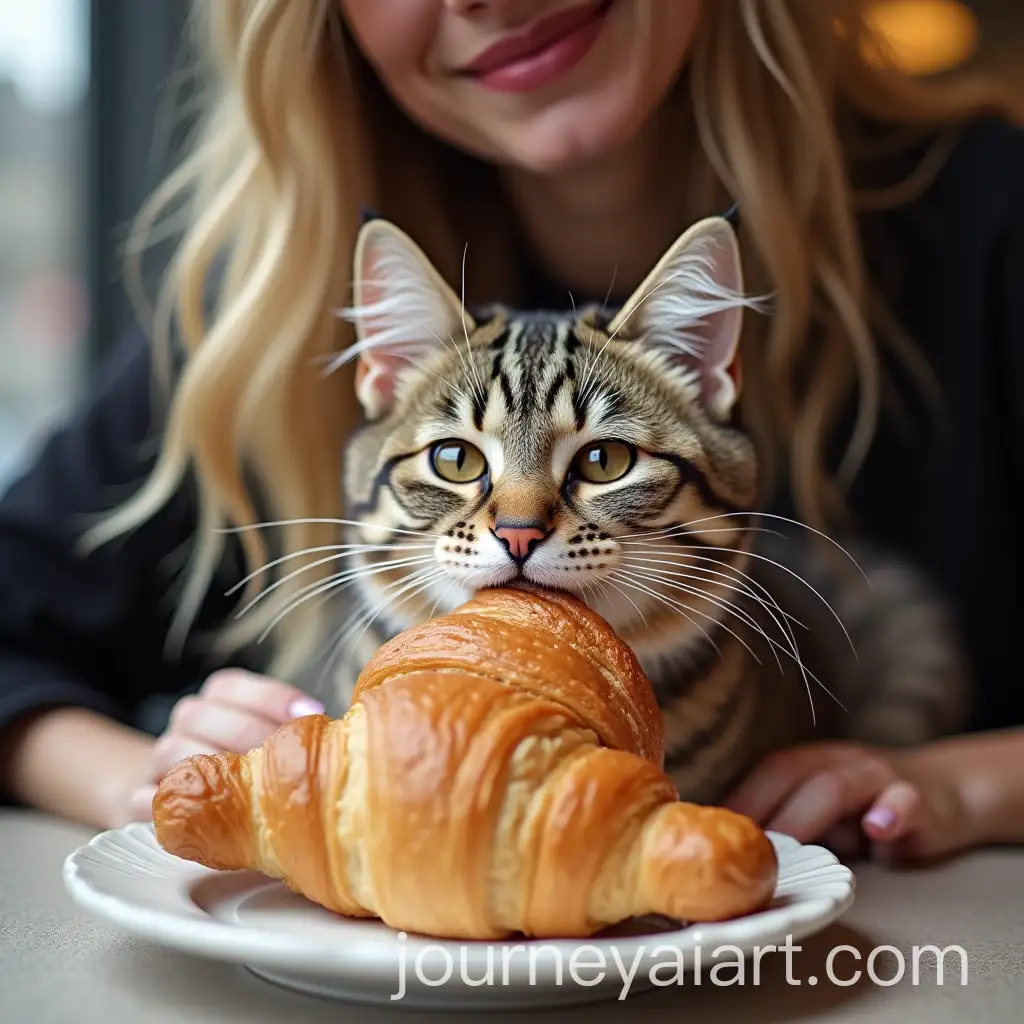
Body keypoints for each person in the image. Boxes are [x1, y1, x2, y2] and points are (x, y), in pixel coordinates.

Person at [1, 0, 1022, 862]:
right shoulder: (264, 302)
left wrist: (962, 786)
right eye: (455, 460)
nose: (519, 524)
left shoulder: (992, 219)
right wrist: (145, 780)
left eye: (604, 458)